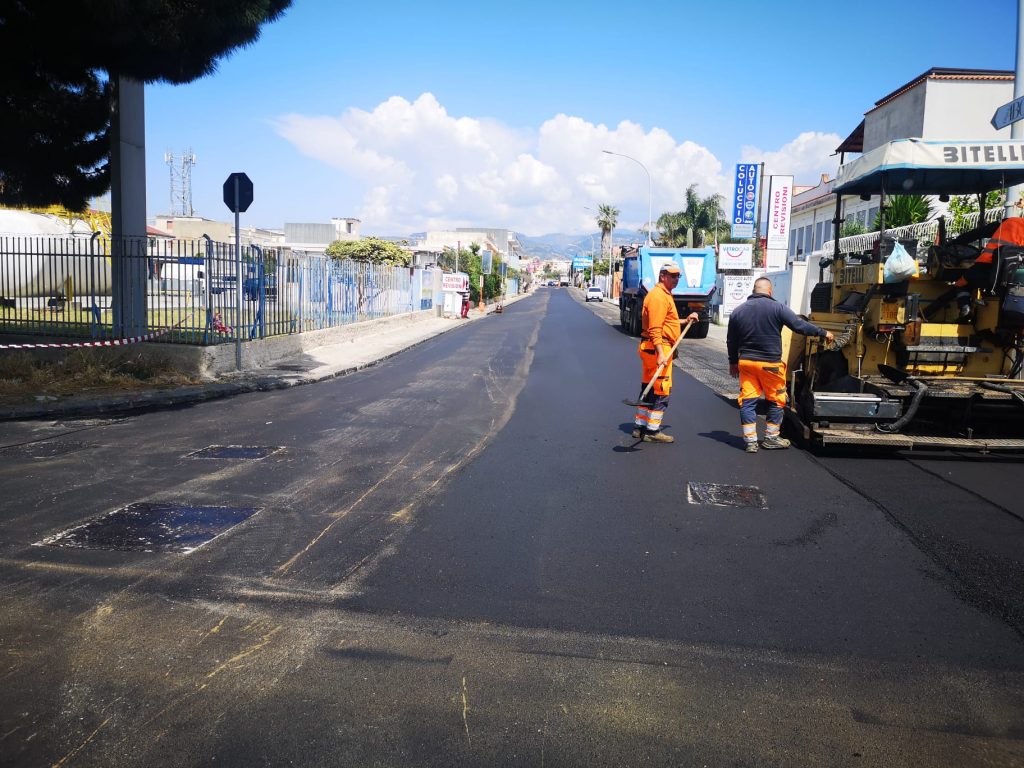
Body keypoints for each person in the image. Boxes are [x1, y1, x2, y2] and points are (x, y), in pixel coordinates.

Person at [727, 277, 834, 453]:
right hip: (770, 364)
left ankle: (750, 442)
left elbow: (731, 340)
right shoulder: (777, 308)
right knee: (777, 399)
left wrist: (733, 361)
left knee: (747, 401)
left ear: (754, 291)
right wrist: (823, 332)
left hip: (746, 363)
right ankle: (770, 438)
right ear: (770, 292)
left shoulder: (738, 311)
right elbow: (799, 326)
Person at [632, 263, 699, 444]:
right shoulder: (659, 297)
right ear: (662, 276)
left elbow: (666, 321)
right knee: (662, 389)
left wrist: (685, 320)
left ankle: (640, 426)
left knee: (649, 387)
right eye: (673, 276)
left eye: (678, 276)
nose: (676, 279)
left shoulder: (661, 295)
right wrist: (661, 352)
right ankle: (652, 430)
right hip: (657, 348)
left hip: (651, 348)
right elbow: (655, 328)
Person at [954, 216, 1024, 319]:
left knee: (961, 284)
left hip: (985, 267)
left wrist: (955, 242)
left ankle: (965, 308)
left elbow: (979, 233)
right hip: (1011, 277)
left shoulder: (1010, 221)